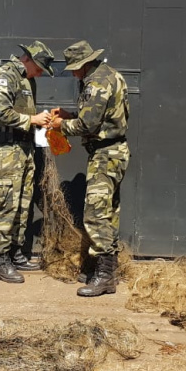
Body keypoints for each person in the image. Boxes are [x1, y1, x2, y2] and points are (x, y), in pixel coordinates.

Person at [49, 41, 130, 297]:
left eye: (74, 69)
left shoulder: (96, 83)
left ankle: (104, 277)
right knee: (108, 213)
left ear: (84, 64)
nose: (73, 74)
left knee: (95, 215)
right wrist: (69, 114)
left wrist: (61, 124)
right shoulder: (111, 75)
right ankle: (105, 271)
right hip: (114, 152)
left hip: (105, 154)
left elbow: (88, 126)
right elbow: (99, 116)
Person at [0, 41, 55, 283]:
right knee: (6, 203)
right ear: (28, 59)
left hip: (25, 149)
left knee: (22, 203)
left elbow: (25, 115)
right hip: (8, 150)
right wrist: (33, 119)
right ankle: (0, 260)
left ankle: (16, 253)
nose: (39, 74)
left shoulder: (28, 80)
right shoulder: (4, 76)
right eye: (39, 68)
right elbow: (1, 113)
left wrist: (39, 120)